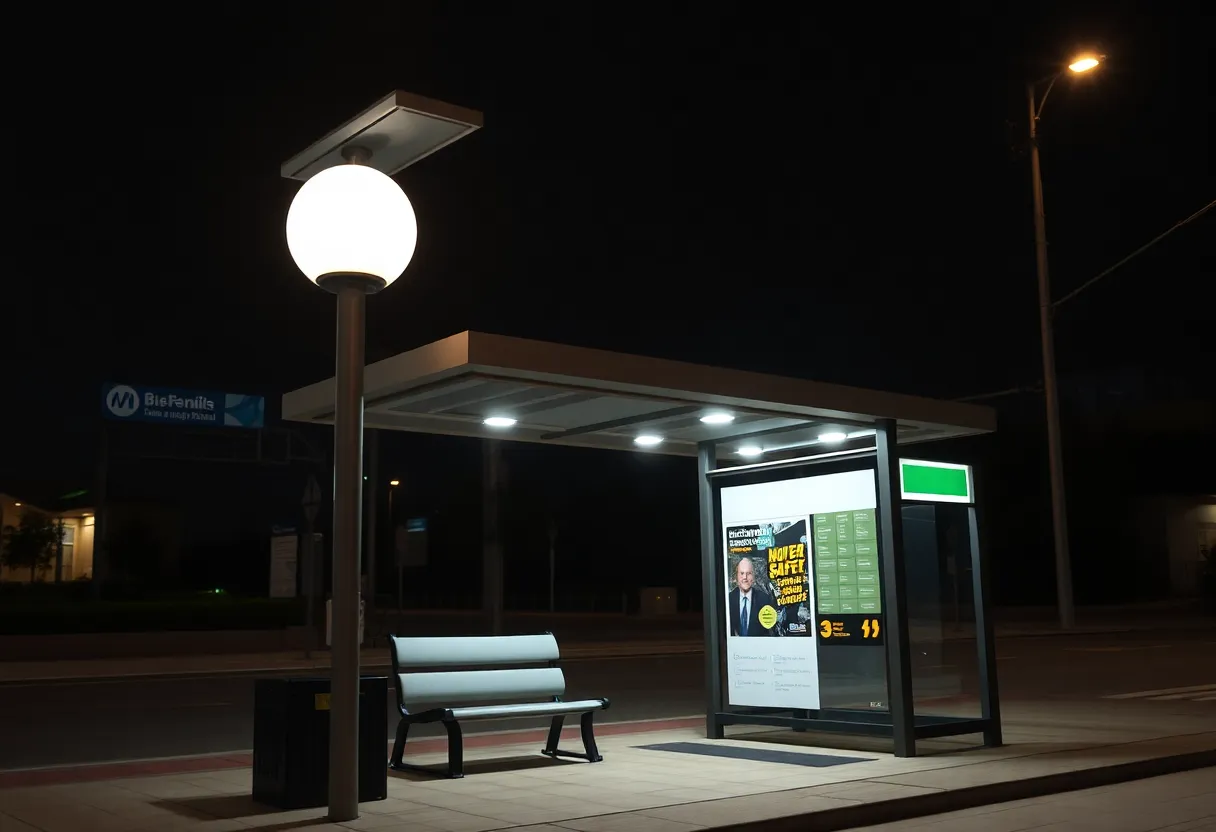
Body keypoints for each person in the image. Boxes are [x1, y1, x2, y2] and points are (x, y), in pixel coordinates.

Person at [727, 556, 776, 637]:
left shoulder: (764, 599)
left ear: (753, 576)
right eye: (742, 573)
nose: (745, 578)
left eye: (749, 573)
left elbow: (769, 631)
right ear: (736, 576)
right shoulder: (728, 599)